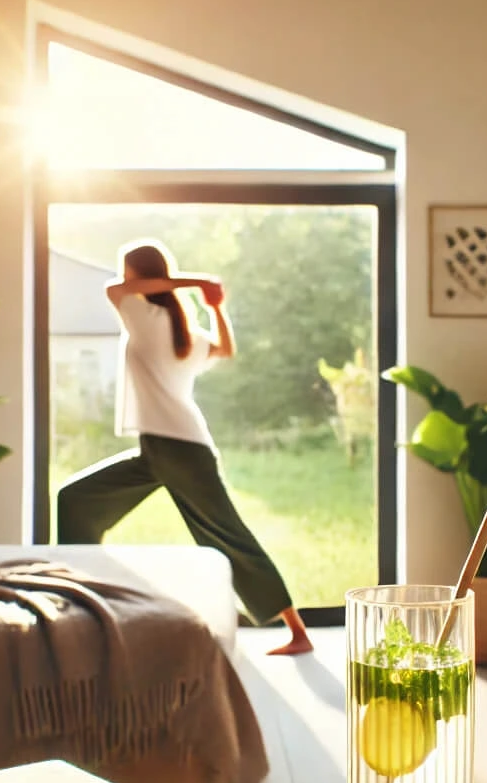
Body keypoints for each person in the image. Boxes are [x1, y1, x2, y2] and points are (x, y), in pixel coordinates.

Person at [56, 240, 313, 656]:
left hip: (179, 450)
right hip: (160, 449)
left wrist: (204, 294)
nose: (122, 279)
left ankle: (298, 632)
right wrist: (206, 294)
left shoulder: (145, 315)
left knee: (228, 534)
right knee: (75, 499)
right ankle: (81, 601)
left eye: (128, 272)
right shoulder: (180, 331)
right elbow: (224, 347)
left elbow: (117, 291)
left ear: (139, 276)